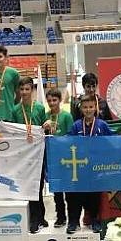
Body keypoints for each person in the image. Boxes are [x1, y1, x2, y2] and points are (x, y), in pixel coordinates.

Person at [67, 94, 113, 234]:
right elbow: (68, 142)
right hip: (79, 168)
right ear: (81, 108)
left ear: (95, 108)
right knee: (75, 196)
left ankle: (95, 220)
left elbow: (112, 142)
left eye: (91, 107)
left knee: (94, 196)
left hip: (95, 168)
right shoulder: (76, 126)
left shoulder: (102, 125)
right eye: (85, 107)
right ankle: (73, 221)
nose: (88, 110)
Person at [11, 77, 48, 233]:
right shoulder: (15, 110)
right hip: (23, 154)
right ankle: (35, 217)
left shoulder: (39, 108)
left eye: (27, 89)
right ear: (19, 91)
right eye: (22, 89)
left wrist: (47, 125)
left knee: (37, 186)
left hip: (38, 153)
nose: (25, 92)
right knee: (27, 186)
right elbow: (12, 131)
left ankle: (40, 216)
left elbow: (46, 126)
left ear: (32, 90)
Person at [42, 88, 74, 228]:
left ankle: (72, 217)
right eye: (49, 100)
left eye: (54, 100)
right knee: (56, 190)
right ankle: (60, 216)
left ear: (60, 101)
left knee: (69, 190)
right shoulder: (46, 116)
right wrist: (45, 129)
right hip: (52, 159)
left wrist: (59, 141)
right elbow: (43, 137)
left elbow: (72, 136)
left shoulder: (66, 116)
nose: (51, 103)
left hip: (66, 158)